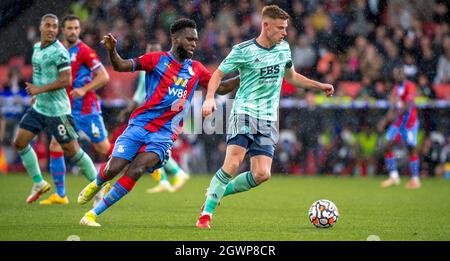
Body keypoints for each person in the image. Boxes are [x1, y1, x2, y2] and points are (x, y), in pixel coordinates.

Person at [77, 18, 239, 227]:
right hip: (140, 125)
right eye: (189, 39)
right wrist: (112, 51)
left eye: (196, 40)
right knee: (113, 168)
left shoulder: (197, 70)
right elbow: (121, 65)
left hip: (164, 134)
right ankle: (98, 182)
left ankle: (92, 215)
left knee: (135, 170)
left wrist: (243, 76)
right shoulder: (156, 60)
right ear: (175, 38)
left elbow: (222, 88)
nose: (193, 44)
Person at [197, 5, 334, 229]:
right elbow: (217, 75)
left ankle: (216, 192)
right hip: (244, 112)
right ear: (265, 25)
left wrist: (319, 86)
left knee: (262, 173)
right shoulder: (243, 50)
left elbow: (291, 76)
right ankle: (205, 216)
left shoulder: (284, 49)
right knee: (232, 164)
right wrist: (210, 98)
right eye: (280, 28)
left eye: (286, 28)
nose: (284, 32)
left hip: (269, 119)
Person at [13, 14, 99, 203]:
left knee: (73, 151)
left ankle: (98, 185)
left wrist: (38, 89)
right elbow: (39, 74)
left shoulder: (60, 52)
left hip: (59, 111)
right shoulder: (36, 48)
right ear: (41, 27)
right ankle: (39, 183)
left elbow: (66, 80)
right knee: (19, 142)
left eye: (55, 26)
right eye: (48, 25)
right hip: (40, 108)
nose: (52, 29)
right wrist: (36, 95)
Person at [39, 14, 111, 205]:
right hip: (66, 110)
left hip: (88, 110)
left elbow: (104, 76)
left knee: (103, 147)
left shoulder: (86, 52)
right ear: (63, 30)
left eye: (76, 28)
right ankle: (61, 195)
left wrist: (84, 89)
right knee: (56, 145)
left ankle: (124, 173)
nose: (73, 32)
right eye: (70, 28)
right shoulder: (58, 50)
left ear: (80, 30)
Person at [118, 42, 190, 194]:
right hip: (157, 118)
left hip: (154, 119)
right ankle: (166, 179)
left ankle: (176, 173)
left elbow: (139, 96)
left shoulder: (153, 70)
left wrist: (128, 110)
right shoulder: (166, 70)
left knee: (153, 150)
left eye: (153, 52)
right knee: (153, 150)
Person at [378, 66, 421, 189]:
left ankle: (415, 179)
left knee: (411, 148)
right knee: (386, 145)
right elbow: (393, 107)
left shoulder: (410, 86)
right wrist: (384, 121)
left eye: (400, 73)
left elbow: (407, 106)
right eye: (396, 74)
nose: (398, 76)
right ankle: (393, 176)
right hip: (397, 123)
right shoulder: (396, 89)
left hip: (409, 124)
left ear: (404, 75)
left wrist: (393, 116)